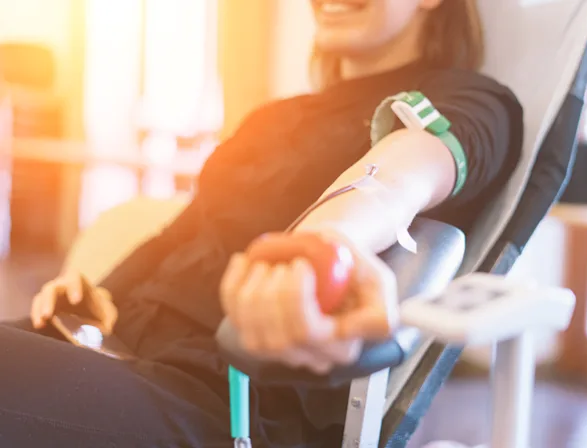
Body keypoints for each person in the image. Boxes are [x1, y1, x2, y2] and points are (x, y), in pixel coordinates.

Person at [1, 0, 523, 446]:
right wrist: (100, 293)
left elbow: (392, 180)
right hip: (114, 349)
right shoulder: (272, 118)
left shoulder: (476, 102)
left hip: (220, 400)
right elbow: (184, 232)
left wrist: (319, 250)